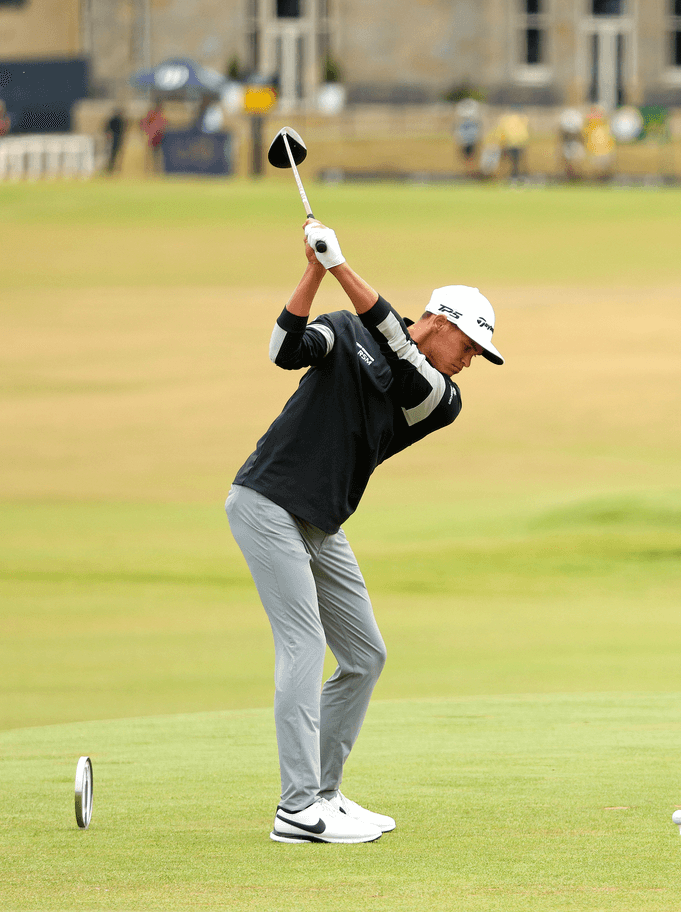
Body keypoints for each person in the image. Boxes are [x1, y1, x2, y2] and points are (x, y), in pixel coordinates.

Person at [225, 219, 505, 844]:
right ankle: (297, 810)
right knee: (303, 644)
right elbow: (283, 349)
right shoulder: (348, 329)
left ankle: (325, 793)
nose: (469, 364)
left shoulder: (439, 395)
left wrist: (343, 266)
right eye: (469, 348)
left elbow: (399, 354)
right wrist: (314, 271)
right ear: (442, 322)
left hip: (322, 521)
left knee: (365, 654)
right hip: (267, 501)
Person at [495, 106, 530, 181]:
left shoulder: (506, 120)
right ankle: (515, 175)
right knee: (516, 161)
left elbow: (502, 132)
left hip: (511, 143)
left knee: (514, 161)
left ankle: (514, 176)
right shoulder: (521, 118)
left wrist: (502, 142)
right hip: (519, 143)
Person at [453, 99, 483, 178]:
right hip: (466, 141)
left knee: (471, 158)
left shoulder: (474, 122)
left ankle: (470, 173)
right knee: (467, 158)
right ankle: (468, 173)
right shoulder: (463, 122)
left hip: (471, 141)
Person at [140, 103, 167, 173]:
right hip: (153, 137)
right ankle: (149, 170)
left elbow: (163, 126)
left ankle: (156, 170)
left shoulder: (160, 115)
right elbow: (144, 123)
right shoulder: (152, 115)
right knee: (151, 154)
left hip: (159, 137)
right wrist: (147, 131)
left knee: (158, 154)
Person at [103, 109, 126, 175]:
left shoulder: (119, 120)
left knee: (115, 154)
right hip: (113, 139)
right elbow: (107, 129)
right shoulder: (115, 120)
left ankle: (114, 168)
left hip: (117, 139)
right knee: (111, 155)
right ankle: (110, 168)